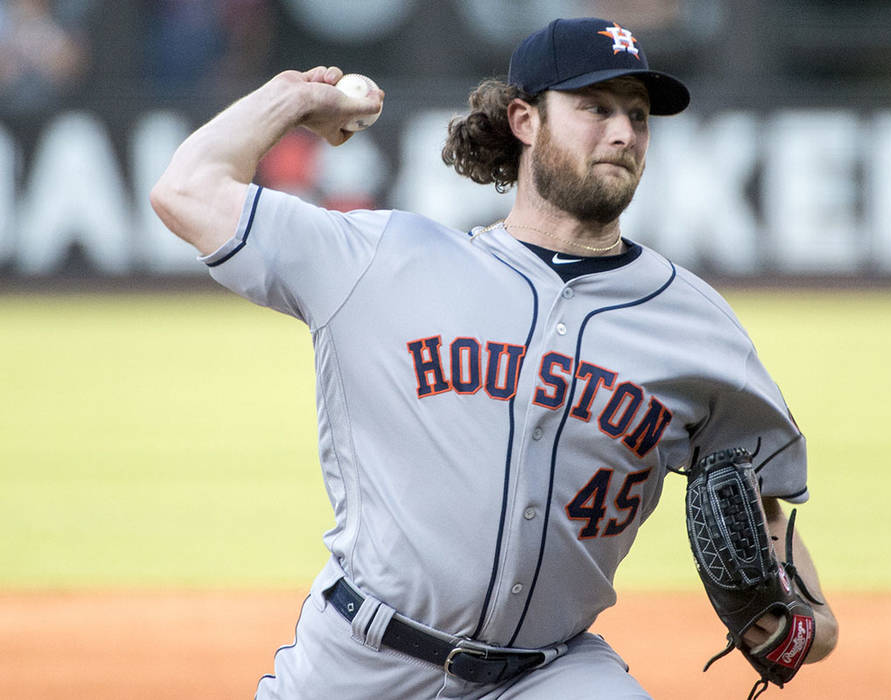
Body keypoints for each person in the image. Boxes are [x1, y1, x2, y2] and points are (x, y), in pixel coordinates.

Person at [151, 16, 837, 699]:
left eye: (638, 114)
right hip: (362, 663)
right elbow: (186, 189)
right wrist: (296, 98)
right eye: (595, 107)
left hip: (551, 673)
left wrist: (809, 621)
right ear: (524, 119)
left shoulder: (694, 323)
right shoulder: (382, 260)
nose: (624, 132)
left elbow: (755, 494)